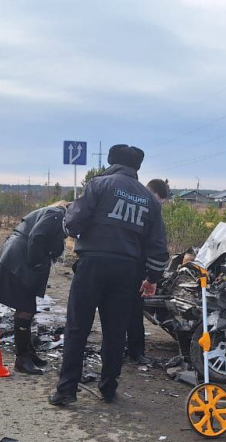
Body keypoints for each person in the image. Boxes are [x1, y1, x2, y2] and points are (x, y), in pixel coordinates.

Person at [49, 145, 169, 406]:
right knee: (115, 332)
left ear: (111, 161)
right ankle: (107, 389)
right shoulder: (149, 199)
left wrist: (68, 224)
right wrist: (152, 278)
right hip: (127, 271)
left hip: (92, 265)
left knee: (77, 328)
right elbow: (158, 246)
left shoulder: (98, 185)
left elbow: (74, 223)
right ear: (138, 166)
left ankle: (66, 390)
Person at [0, 201, 70, 375]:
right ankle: (22, 359)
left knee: (27, 306)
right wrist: (36, 264)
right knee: (25, 308)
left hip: (18, 255)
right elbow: (37, 236)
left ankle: (29, 353)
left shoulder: (55, 214)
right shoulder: (57, 214)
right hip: (20, 258)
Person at [125, 178, 170, 365]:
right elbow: (157, 246)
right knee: (128, 311)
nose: (158, 205)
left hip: (131, 266)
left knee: (131, 311)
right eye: (159, 200)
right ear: (153, 194)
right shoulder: (145, 206)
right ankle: (130, 351)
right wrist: (153, 276)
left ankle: (131, 350)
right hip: (132, 266)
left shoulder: (133, 203)